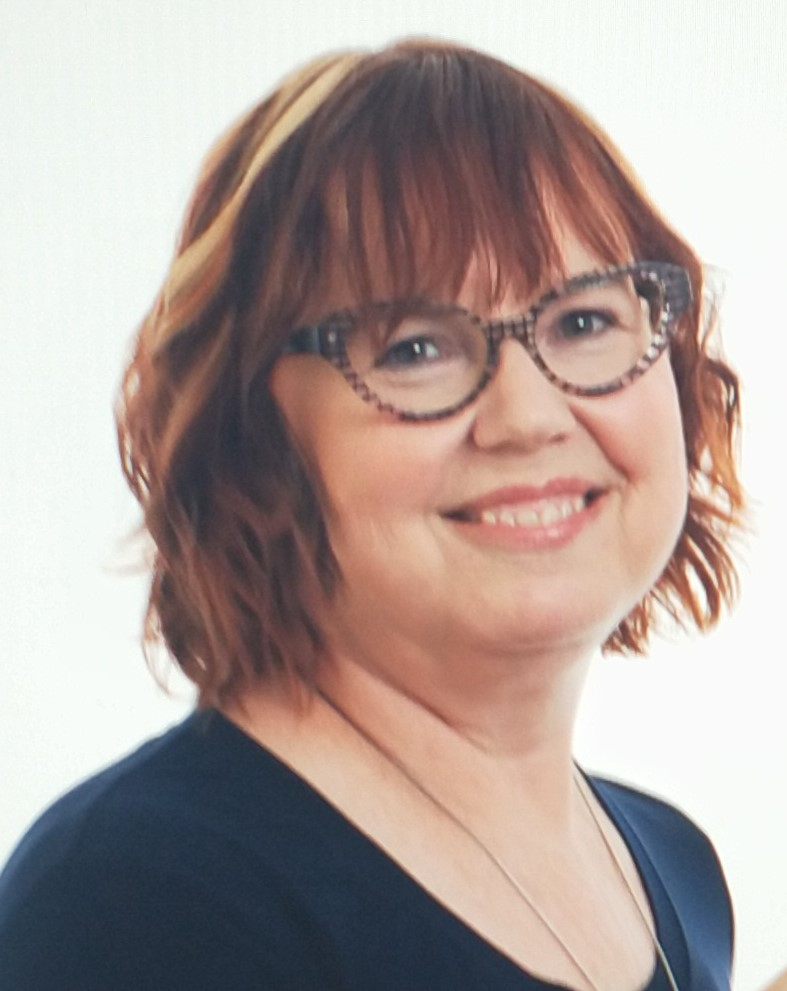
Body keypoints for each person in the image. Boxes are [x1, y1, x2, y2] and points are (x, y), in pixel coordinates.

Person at [0, 39, 744, 991]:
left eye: (585, 322)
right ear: (253, 435)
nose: (527, 416)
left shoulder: (674, 864)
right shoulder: (140, 902)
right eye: (415, 347)